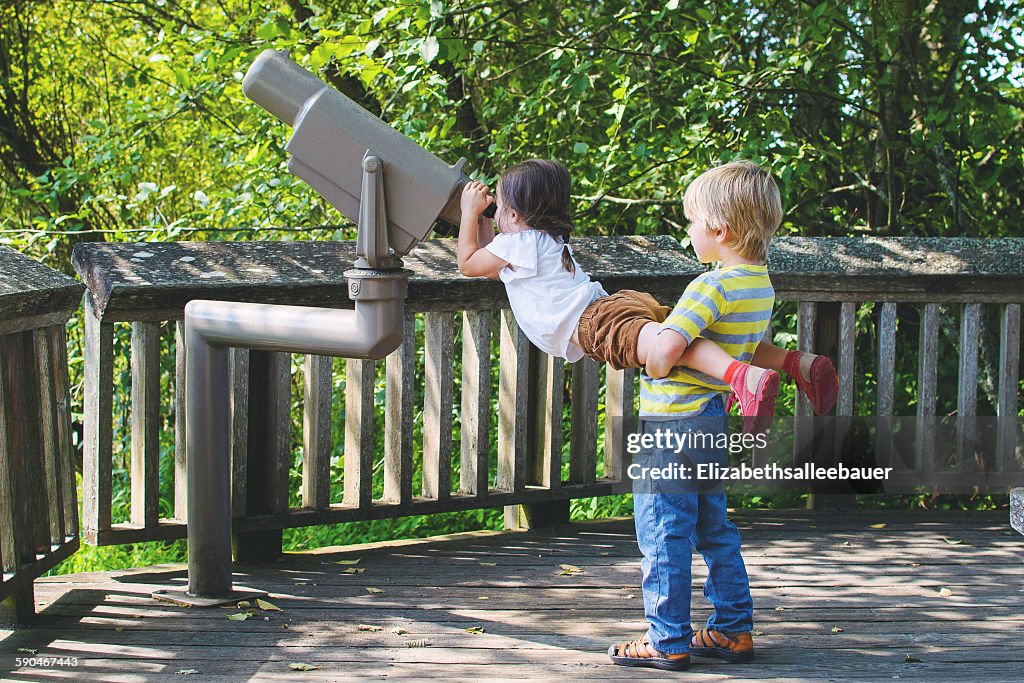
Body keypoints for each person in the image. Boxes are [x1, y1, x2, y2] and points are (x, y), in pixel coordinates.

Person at [456, 159, 837, 429]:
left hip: (595, 322)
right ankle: (793, 362)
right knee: (693, 337)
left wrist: (470, 213)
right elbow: (491, 260)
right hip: (605, 307)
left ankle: (742, 376)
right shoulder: (538, 243)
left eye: (502, 210)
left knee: (673, 343)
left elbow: (469, 262)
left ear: (517, 217)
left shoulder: (523, 244)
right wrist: (488, 217)